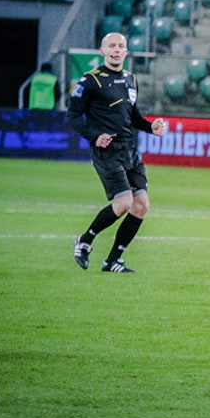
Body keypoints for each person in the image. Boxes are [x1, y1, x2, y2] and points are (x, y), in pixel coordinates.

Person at [67, 32, 166, 274]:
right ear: (102, 51)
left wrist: (150, 126)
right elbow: (72, 116)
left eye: (121, 46)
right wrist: (94, 136)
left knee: (141, 205)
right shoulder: (90, 81)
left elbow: (133, 117)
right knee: (123, 203)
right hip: (107, 152)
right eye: (111, 46)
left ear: (126, 52)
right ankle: (85, 240)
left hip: (130, 151)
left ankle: (112, 261)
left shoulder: (131, 79)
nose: (116, 50)